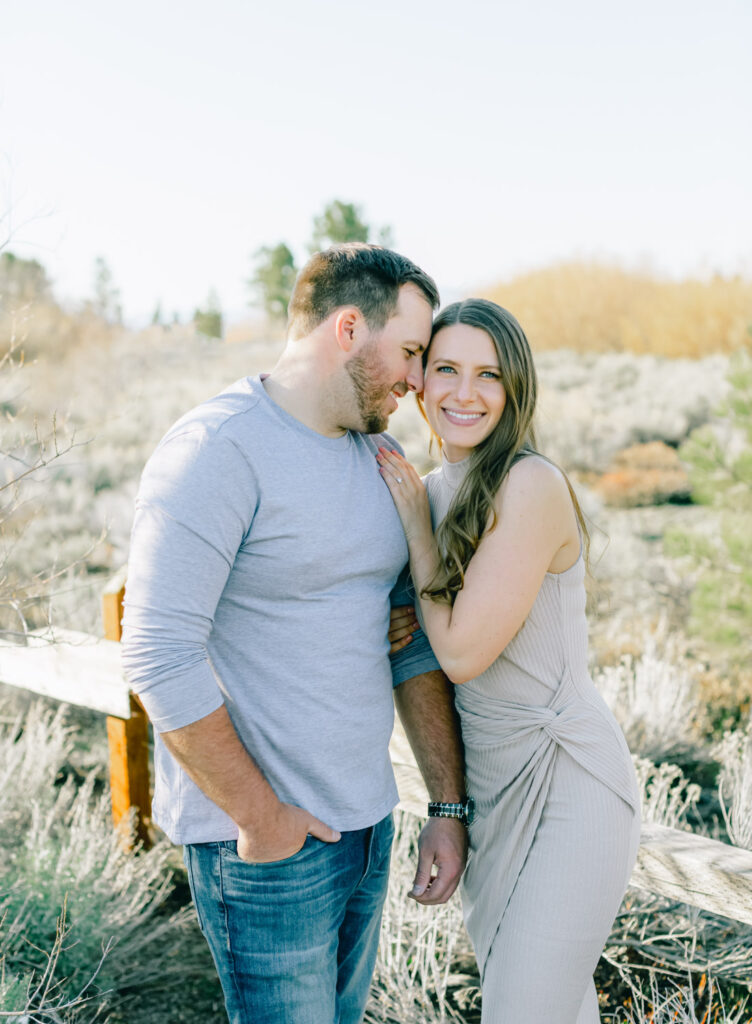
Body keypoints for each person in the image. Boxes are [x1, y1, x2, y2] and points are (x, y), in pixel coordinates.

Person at [120, 244, 469, 1024]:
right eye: (410, 353)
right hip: (267, 851)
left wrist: (445, 808)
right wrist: (260, 817)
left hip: (368, 825)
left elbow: (409, 643)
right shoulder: (218, 449)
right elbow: (156, 651)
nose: (417, 381)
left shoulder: (381, 456)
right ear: (348, 329)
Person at [378, 298, 641, 1024]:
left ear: (515, 388)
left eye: (489, 374)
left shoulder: (530, 485)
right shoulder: (426, 492)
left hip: (568, 784)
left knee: (525, 1010)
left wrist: (417, 538)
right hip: (492, 793)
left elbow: (459, 651)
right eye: (448, 369)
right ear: (420, 381)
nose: (466, 393)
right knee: (549, 1007)